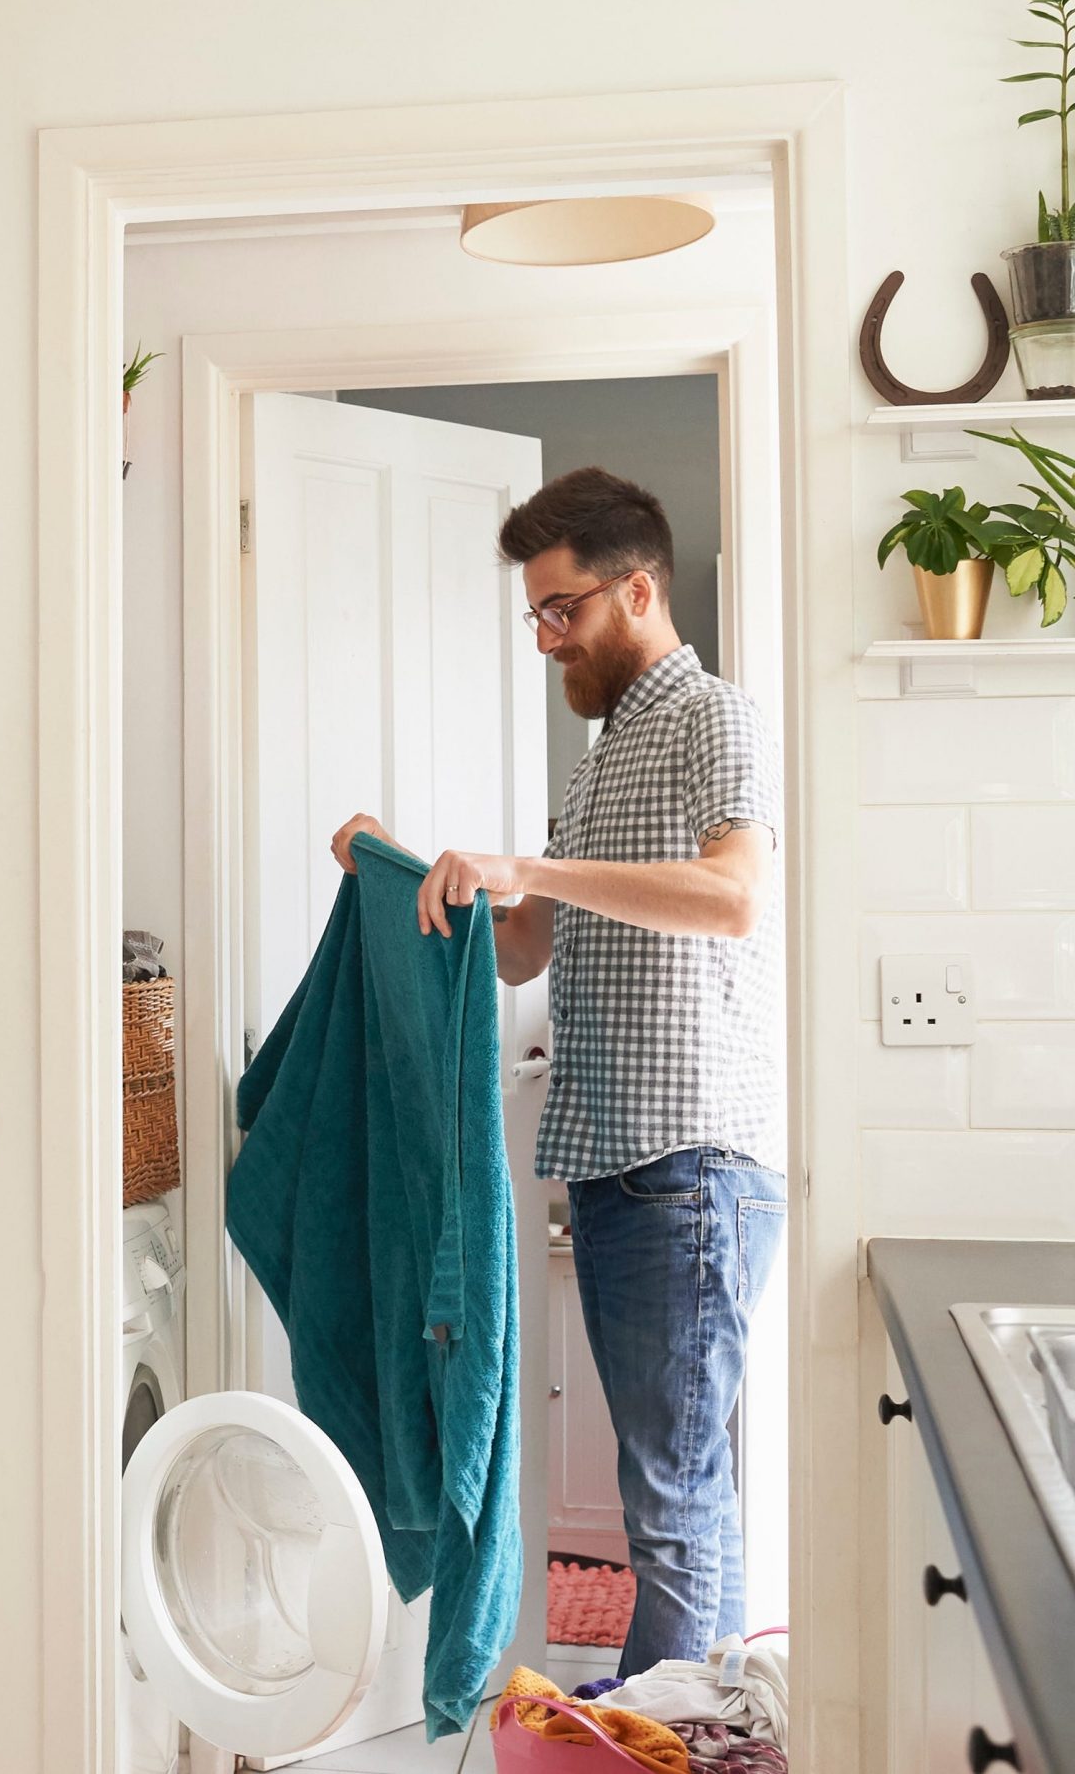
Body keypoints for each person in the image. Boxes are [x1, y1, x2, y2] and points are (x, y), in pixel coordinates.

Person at [331, 467, 785, 1677]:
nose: (544, 638)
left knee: (671, 1507)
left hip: (685, 1167)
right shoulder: (598, 760)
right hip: (616, 1167)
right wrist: (424, 880)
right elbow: (529, 946)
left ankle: (652, 1735)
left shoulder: (712, 719)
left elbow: (734, 896)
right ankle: (702, 1729)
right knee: (678, 1499)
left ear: (635, 590)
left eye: (560, 609)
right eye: (532, 613)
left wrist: (530, 865)